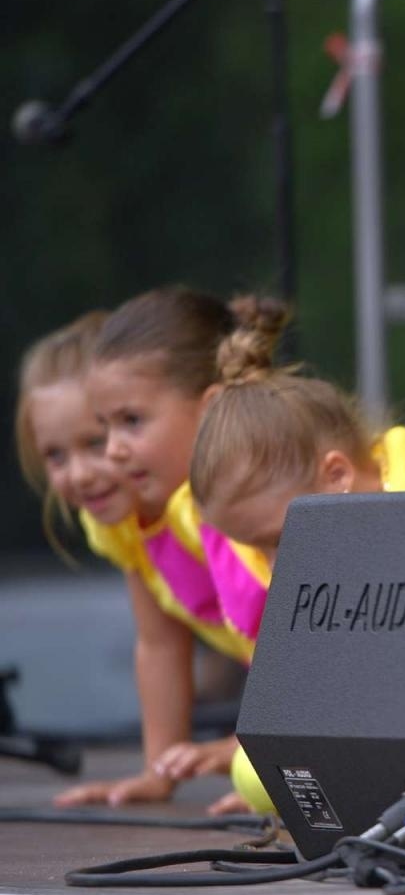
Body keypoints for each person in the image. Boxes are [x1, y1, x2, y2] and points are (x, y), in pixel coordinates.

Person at [188, 306, 405, 812]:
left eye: (275, 540)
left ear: (338, 475)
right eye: (252, 546)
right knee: (253, 769)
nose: (270, 565)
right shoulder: (298, 547)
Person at [53, 288, 269, 807]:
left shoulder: (252, 504)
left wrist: (268, 759)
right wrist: (160, 769)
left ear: (211, 408)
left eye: (132, 422)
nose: (112, 451)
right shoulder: (138, 521)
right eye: (104, 427)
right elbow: (159, 645)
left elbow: (317, 650)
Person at [15, 312, 133, 556]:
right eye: (56, 455)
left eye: (96, 442)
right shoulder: (115, 531)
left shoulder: (198, 516)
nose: (80, 476)